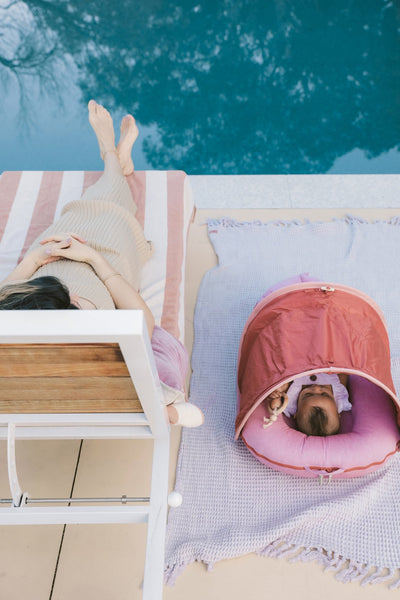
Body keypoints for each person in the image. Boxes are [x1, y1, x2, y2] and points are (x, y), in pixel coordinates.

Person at [0, 100, 203, 428]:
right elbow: (144, 321)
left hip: (52, 260)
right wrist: (94, 260)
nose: (77, 300)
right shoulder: (103, 339)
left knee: (82, 211)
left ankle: (115, 161)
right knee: (109, 208)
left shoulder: (13, 330)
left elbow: (7, 292)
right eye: (78, 305)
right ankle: (111, 155)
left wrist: (34, 261)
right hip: (106, 253)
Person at [266, 372, 351, 436]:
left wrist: (278, 392)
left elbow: (277, 403)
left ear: (296, 413)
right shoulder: (339, 396)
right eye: (324, 394)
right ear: (337, 412)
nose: (316, 387)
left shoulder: (291, 400)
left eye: (308, 395)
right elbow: (344, 372)